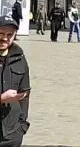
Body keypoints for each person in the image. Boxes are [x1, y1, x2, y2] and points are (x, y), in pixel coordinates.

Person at [0, 15, 31, 146]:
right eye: (1, 33)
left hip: (12, 133)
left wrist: (22, 126)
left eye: (9, 34)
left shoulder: (20, 58)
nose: (5, 38)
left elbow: (25, 94)